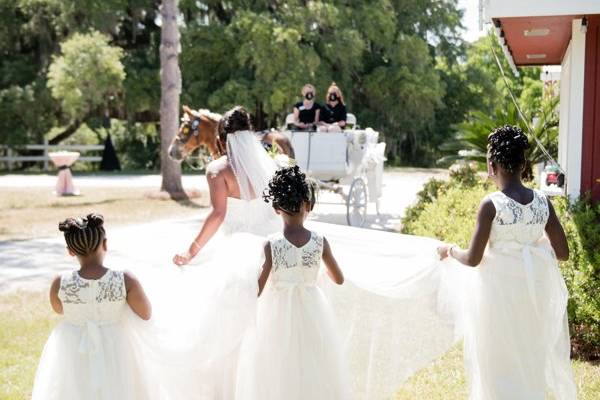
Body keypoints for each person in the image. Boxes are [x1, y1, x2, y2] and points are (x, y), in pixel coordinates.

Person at [437, 125, 576, 399]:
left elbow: (474, 258)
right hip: (531, 296)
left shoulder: (491, 204)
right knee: (529, 354)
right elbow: (563, 253)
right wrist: (532, 246)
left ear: (492, 164)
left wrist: (450, 250)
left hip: (497, 299)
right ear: (523, 163)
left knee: (496, 361)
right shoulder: (543, 202)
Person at [236, 166, 350, 400]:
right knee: (314, 361)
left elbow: (257, 289)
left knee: (278, 363)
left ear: (277, 209)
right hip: (313, 309)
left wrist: (242, 281)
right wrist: (315, 276)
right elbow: (338, 278)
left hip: (276, 312)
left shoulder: (271, 245)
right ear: (308, 206)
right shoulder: (321, 242)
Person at [31, 213, 152, 400]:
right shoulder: (125, 280)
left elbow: (59, 309)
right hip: (116, 345)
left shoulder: (60, 282)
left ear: (70, 251)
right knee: (119, 387)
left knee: (75, 389)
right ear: (105, 244)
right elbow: (145, 313)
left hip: (73, 346)